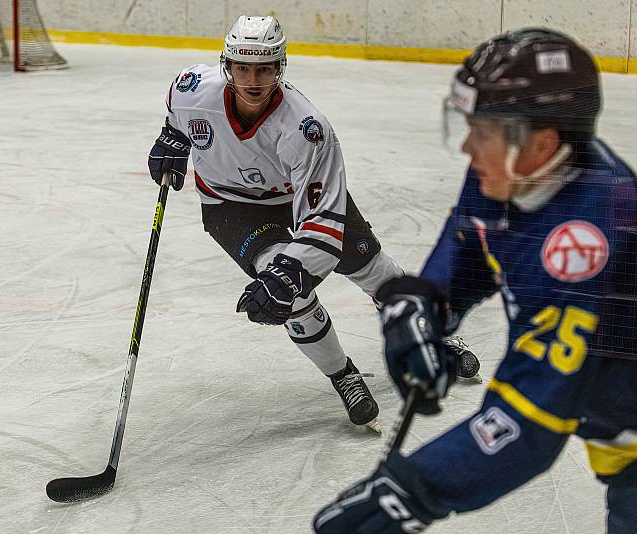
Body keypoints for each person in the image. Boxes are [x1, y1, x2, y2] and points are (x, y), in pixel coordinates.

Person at [313, 28, 637, 532]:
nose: (467, 145)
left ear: (541, 142)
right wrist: (420, 311)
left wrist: (411, 491)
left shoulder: (591, 242)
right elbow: (468, 254)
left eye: (480, 131)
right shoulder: (511, 169)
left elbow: (529, 421)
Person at [148, 15, 480, 429]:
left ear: (280, 67)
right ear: (226, 65)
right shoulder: (190, 88)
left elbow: (322, 220)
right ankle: (344, 375)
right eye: (243, 67)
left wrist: (290, 274)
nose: (253, 79)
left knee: (369, 268)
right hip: (230, 205)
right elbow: (178, 117)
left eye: (265, 68)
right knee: (292, 296)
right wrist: (173, 138)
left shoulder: (306, 128)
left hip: (295, 198)